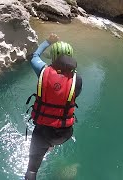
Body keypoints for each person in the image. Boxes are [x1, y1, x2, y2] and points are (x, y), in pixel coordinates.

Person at [25, 34, 82, 180]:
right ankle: (51, 145)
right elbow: (71, 99)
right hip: (64, 134)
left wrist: (48, 41)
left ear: (53, 57)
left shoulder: (43, 71)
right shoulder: (77, 80)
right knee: (52, 138)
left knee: (32, 170)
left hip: (43, 132)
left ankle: (47, 146)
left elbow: (34, 55)